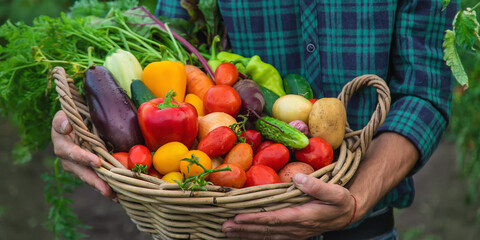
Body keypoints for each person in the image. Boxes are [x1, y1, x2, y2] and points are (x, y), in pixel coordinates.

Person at [51, 0, 459, 239]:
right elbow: (165, 48)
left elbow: (424, 90)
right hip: (217, 222)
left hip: (361, 225)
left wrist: (356, 199)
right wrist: (93, 115)